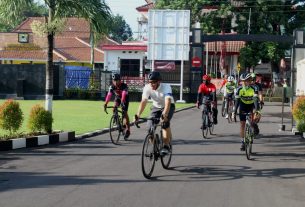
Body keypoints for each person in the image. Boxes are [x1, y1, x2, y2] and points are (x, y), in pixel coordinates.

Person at [135, 71, 175, 155]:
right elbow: (144, 101)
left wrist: (164, 114)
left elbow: (168, 101)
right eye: (150, 82)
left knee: (164, 124)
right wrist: (138, 114)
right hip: (156, 107)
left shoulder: (166, 87)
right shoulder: (147, 87)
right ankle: (155, 146)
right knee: (149, 128)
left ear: (159, 81)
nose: (151, 84)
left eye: (153, 82)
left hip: (168, 106)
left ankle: (166, 146)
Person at [232, 73, 260, 151]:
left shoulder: (254, 88)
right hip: (243, 106)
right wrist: (234, 112)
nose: (244, 83)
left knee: (255, 119)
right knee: (242, 124)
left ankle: (254, 126)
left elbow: (255, 100)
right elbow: (237, 102)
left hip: (252, 105)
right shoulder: (239, 89)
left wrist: (256, 110)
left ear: (250, 81)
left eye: (246, 81)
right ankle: (243, 141)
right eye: (242, 81)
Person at [104, 73, 131, 139]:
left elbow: (124, 94)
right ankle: (117, 120)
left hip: (125, 99)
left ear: (120, 80)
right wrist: (105, 104)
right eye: (114, 80)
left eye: (117, 80)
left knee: (124, 113)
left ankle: (128, 130)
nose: (115, 82)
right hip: (118, 98)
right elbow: (109, 95)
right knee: (113, 109)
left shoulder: (124, 86)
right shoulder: (112, 86)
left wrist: (122, 102)